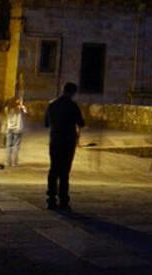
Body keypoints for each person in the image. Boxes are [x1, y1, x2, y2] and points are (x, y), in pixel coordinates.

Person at [45, 82, 85, 211]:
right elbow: (81, 123)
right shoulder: (73, 106)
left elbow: (46, 123)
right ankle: (63, 200)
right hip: (68, 142)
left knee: (53, 169)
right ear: (73, 92)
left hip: (55, 140)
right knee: (64, 172)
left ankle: (51, 199)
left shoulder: (52, 104)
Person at [2, 97, 27, 168]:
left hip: (9, 128)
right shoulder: (20, 109)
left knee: (8, 145)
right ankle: (14, 162)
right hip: (18, 129)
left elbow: (6, 109)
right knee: (16, 146)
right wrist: (22, 105)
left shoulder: (7, 109)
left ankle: (7, 162)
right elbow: (25, 112)